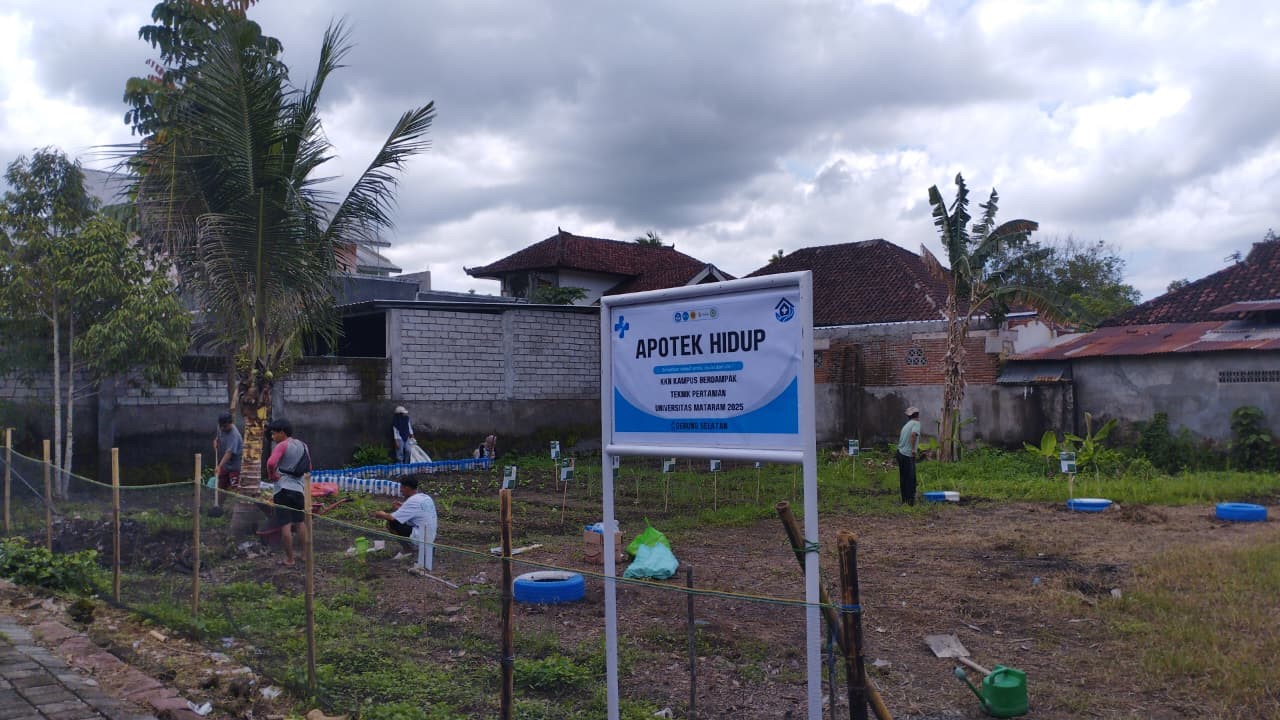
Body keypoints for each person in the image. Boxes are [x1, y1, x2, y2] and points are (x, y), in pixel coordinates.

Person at [265, 418, 310, 566]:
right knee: (300, 522)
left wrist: (272, 476)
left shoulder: (282, 445)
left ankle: (290, 559)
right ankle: (304, 555)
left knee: (285, 524)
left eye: (274, 434)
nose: (272, 437)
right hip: (298, 490)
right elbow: (309, 467)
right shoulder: (303, 445)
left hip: (282, 489)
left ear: (282, 432)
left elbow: (271, 463)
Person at [371, 474, 437, 561]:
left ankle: (408, 550)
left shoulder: (412, 501)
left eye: (402, 487)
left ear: (407, 488)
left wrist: (381, 514)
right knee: (400, 521)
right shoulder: (425, 497)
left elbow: (391, 518)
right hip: (430, 534)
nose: (401, 490)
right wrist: (403, 507)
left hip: (421, 536)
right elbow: (417, 511)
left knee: (391, 524)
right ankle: (427, 546)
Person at [213, 412, 242, 499]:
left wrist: (219, 466)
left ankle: (235, 508)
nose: (222, 428)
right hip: (225, 465)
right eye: (221, 426)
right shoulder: (221, 427)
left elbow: (229, 453)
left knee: (235, 488)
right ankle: (219, 507)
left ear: (230, 423)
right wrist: (215, 442)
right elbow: (217, 438)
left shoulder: (234, 435)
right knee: (221, 487)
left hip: (235, 466)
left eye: (225, 426)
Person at [897, 406, 922, 506]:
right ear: (917, 415)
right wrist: (913, 449)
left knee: (904, 478)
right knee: (911, 479)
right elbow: (913, 435)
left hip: (900, 453)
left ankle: (905, 500)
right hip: (907, 455)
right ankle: (911, 502)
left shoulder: (907, 424)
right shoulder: (916, 423)